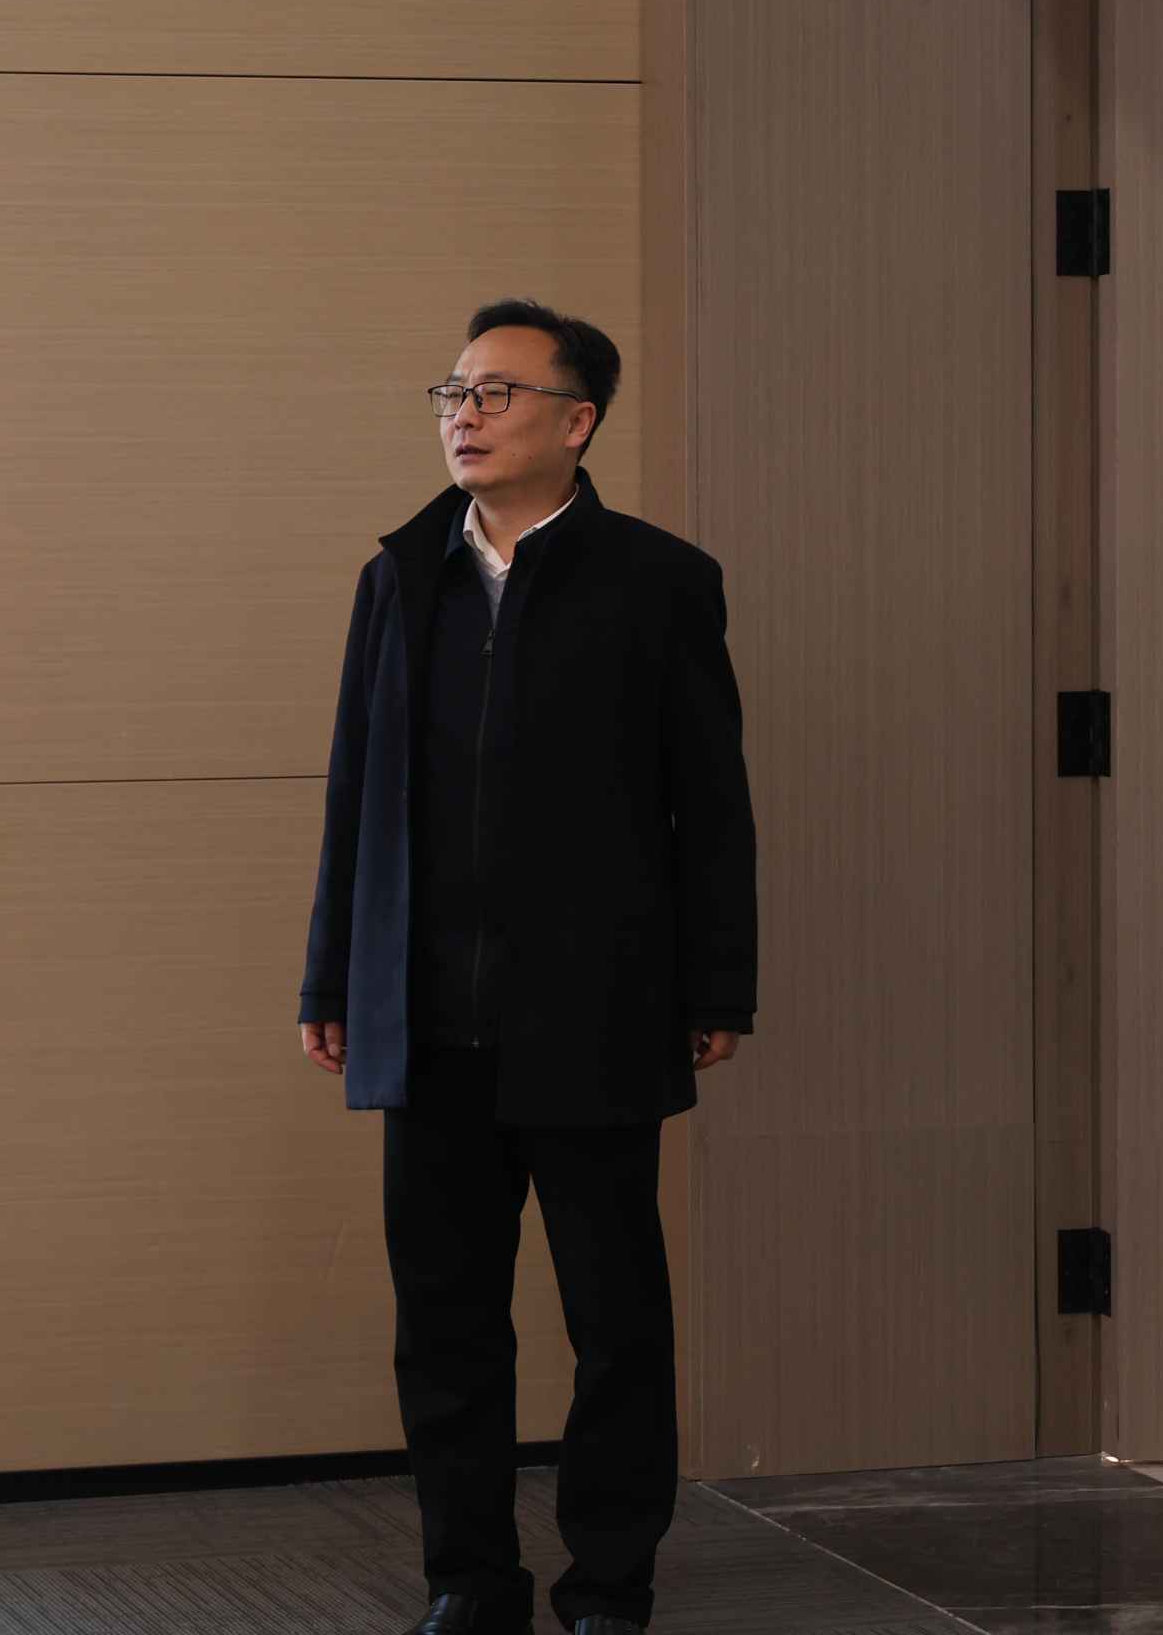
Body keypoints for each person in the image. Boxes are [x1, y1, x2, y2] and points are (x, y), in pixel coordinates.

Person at [298, 300, 757, 1635]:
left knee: (616, 1320)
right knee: (446, 1321)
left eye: (498, 393)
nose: (466, 415)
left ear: (579, 421)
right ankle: (470, 1579)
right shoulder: (401, 577)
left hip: (598, 1005)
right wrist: (332, 979)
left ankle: (610, 1581)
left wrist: (716, 983)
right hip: (427, 1011)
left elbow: (710, 803)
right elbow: (356, 794)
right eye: (454, 391)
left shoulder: (659, 582)